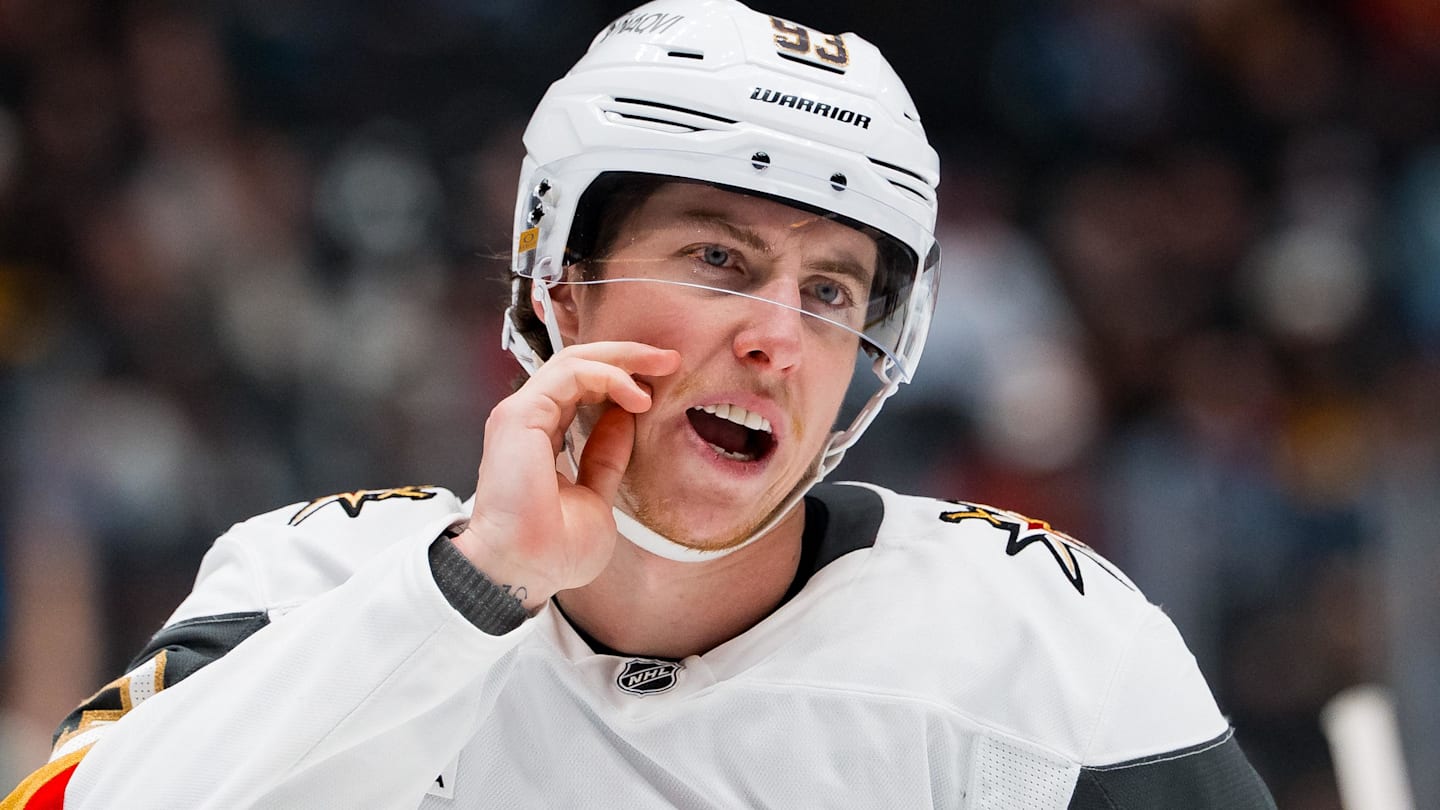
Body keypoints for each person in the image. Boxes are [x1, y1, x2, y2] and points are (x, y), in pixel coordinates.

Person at [5, 1, 1275, 807]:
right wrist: (469, 593)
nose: (779, 335)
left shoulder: (1044, 644)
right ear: (556, 280)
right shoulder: (319, 577)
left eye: (832, 291)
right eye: (718, 260)